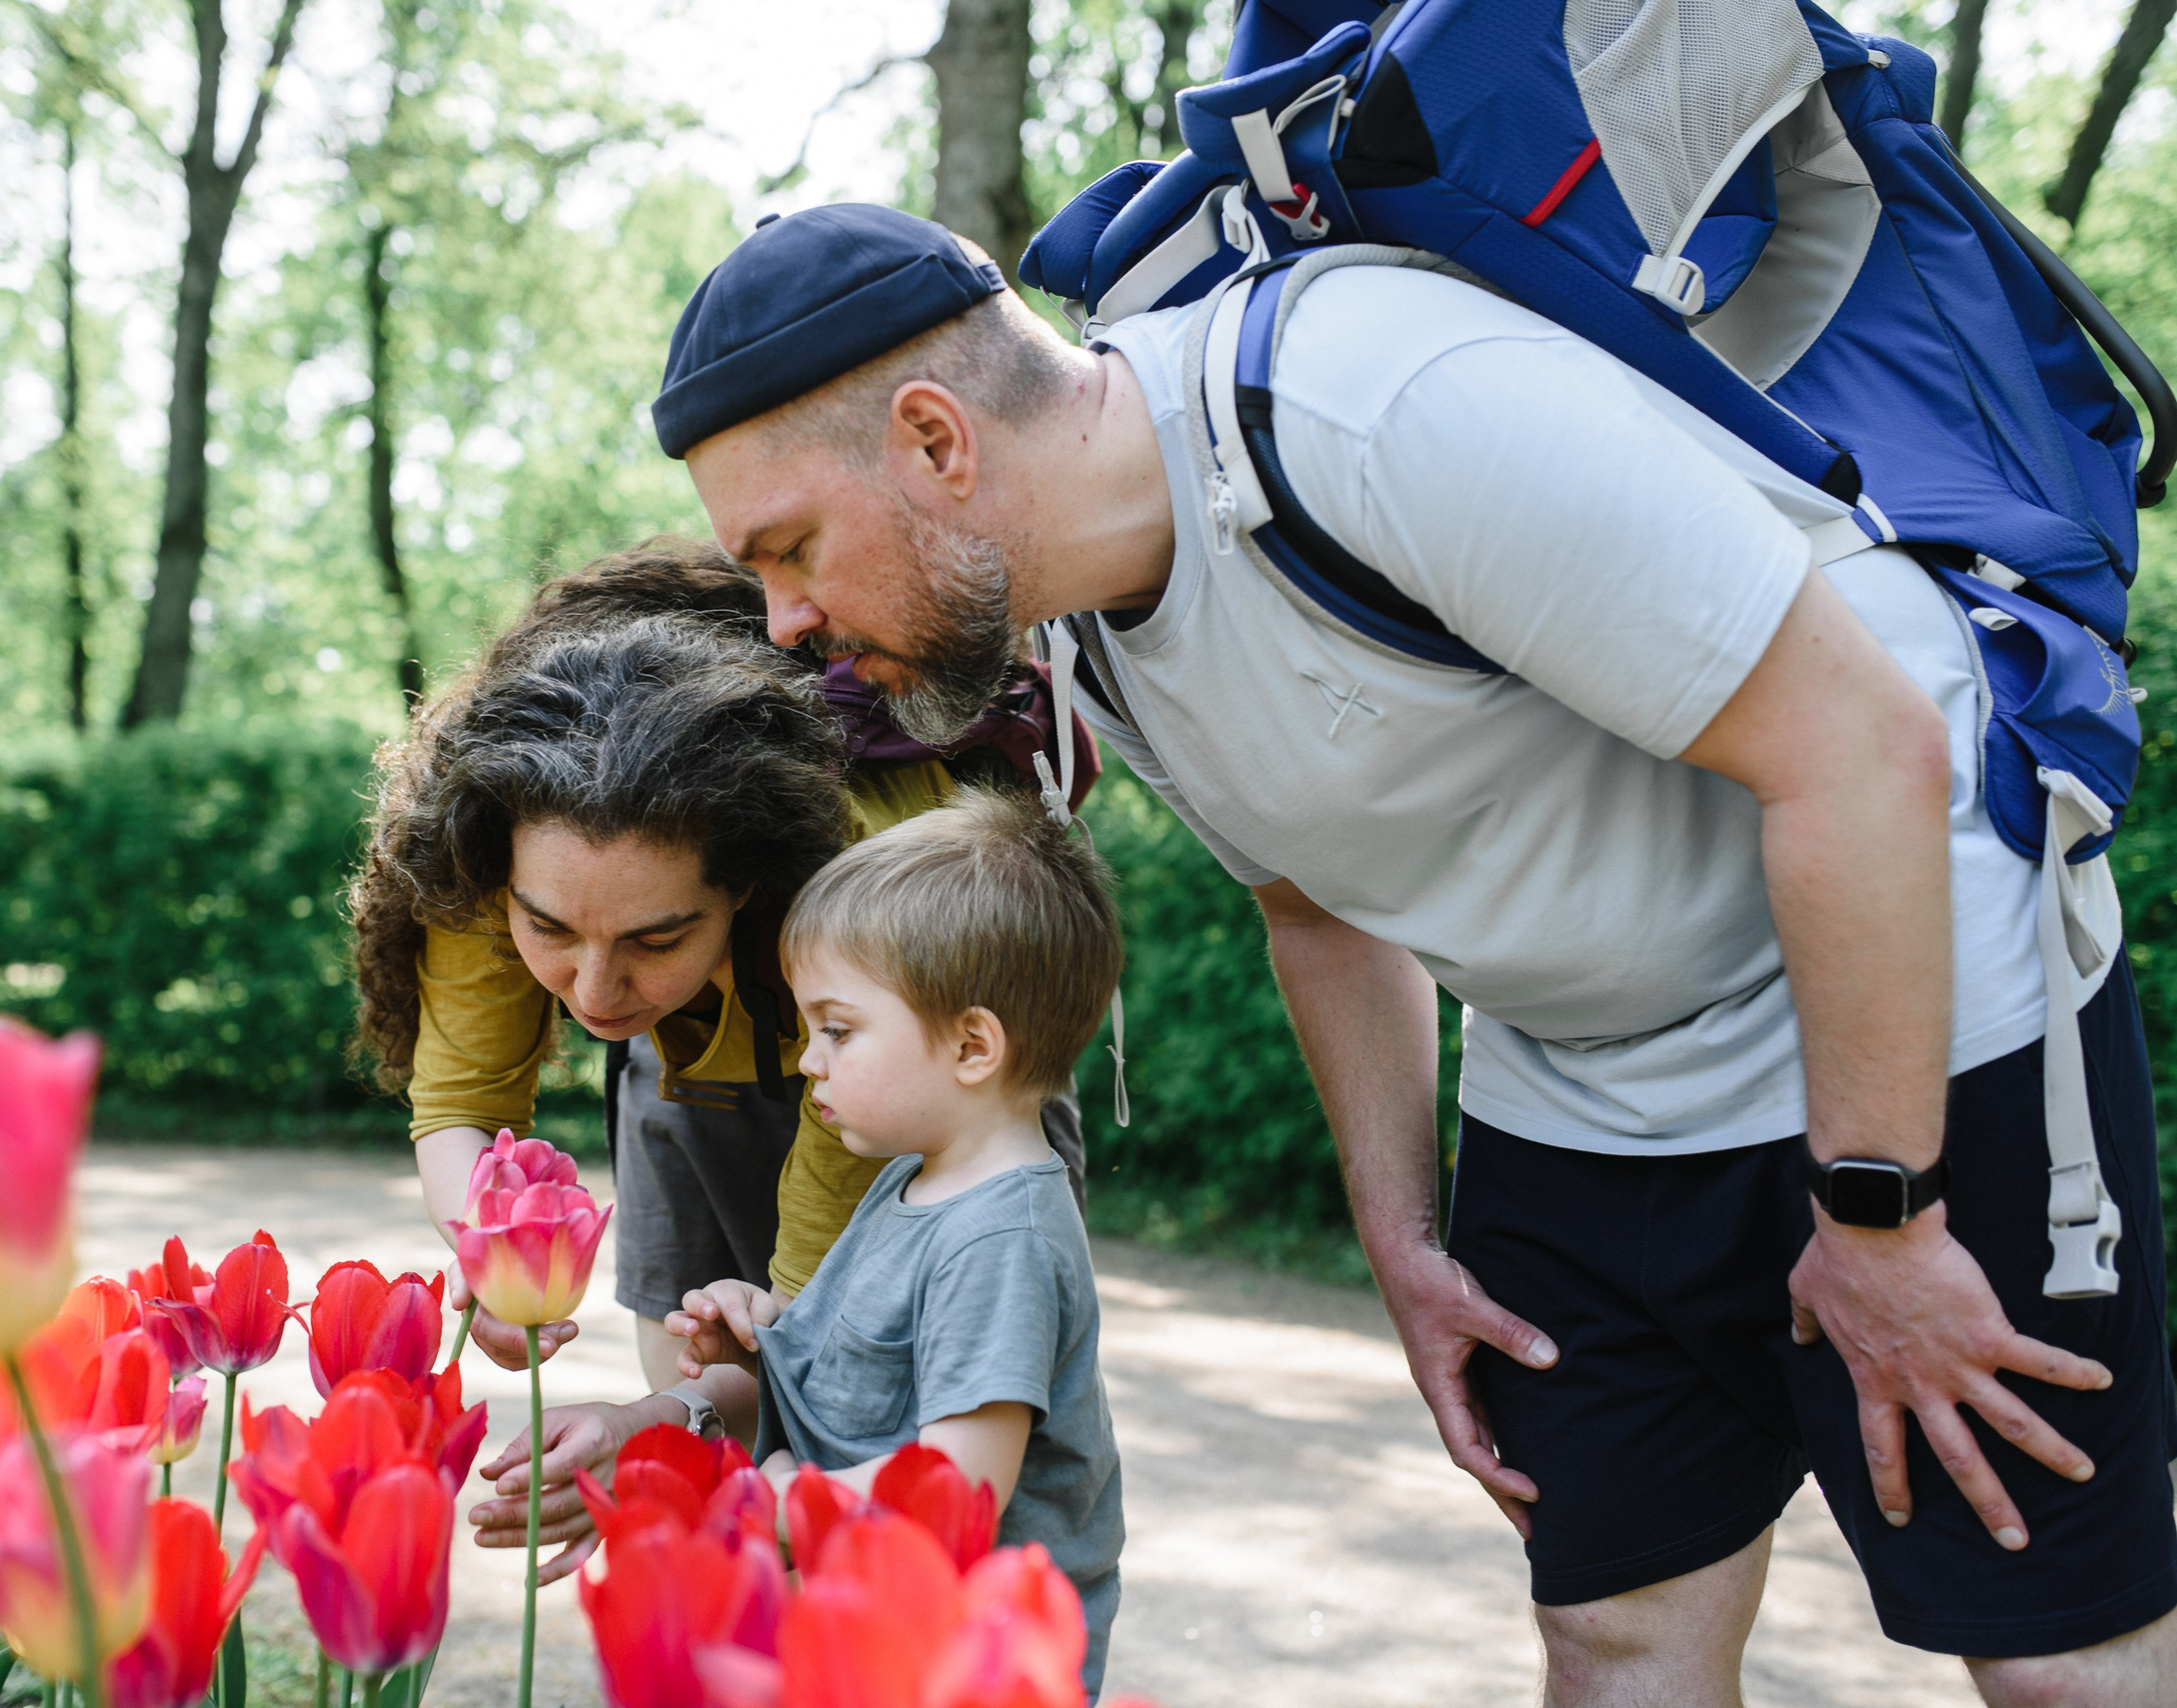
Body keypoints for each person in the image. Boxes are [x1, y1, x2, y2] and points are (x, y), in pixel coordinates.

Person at [647, 203, 2177, 1704]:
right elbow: (1316, 907)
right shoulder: (1081, 633)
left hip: (1921, 998)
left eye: (789, 550)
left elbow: (1864, 752)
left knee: (2055, 1651)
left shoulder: (1370, 403)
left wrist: (1883, 1215)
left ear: (935, 439)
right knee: (1616, 1636)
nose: (782, 621)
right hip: (1578, 1082)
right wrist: (1404, 1238)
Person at [348, 538, 1091, 1387]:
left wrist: (767, 1350)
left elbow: (802, 1329)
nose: (594, 993)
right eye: (549, 929)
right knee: (692, 1436)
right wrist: (501, 1259)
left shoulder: (856, 875)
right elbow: (459, 1103)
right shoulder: (487, 828)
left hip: (925, 1076)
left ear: (745, 886)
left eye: (654, 939)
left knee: (905, 1410)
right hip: (698, 1059)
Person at [477, 788, 1127, 1693]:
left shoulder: (999, 1239)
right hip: (873, 1634)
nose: (806, 1058)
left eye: (837, 1029)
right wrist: (763, 1338)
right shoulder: (912, 1182)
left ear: (974, 1044)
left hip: (967, 1661)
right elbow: (849, 1393)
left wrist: (770, 1499)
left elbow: (956, 1488)